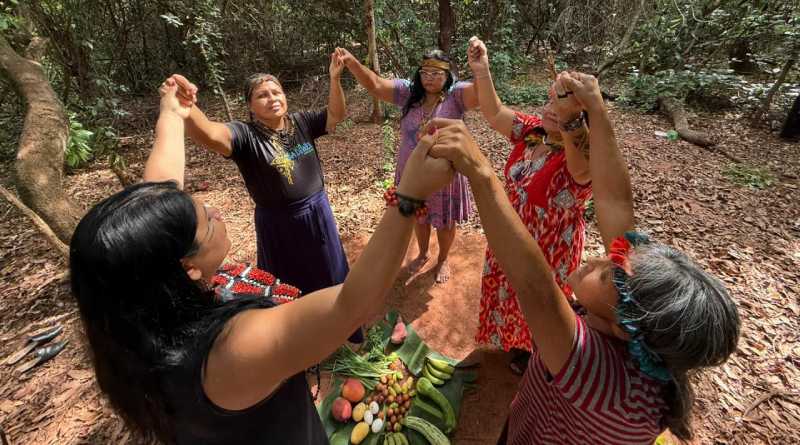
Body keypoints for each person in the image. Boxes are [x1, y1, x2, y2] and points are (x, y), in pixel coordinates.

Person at [69, 77, 454, 444]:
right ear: (187, 267)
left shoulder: (147, 321)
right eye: (205, 218)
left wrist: (172, 111)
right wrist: (409, 196)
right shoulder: (232, 350)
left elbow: (160, 194)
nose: (216, 211)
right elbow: (351, 303)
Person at [427, 71, 740, 444]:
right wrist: (593, 108)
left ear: (625, 327)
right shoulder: (643, 346)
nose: (600, 257)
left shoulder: (596, 376)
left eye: (608, 274)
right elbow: (615, 201)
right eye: (615, 258)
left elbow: (536, 287)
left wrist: (478, 170)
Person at [164, 52, 362, 340]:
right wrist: (187, 106)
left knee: (330, 270)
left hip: (318, 213)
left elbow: (337, 115)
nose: (272, 98)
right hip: (279, 224)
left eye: (276, 92)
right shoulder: (245, 136)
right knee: (288, 282)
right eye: (262, 95)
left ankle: (340, 332)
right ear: (250, 106)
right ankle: (298, 341)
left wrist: (334, 78)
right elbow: (209, 134)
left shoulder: (302, 122)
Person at [466, 37, 593, 373]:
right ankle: (513, 344)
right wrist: (483, 70)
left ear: (581, 115)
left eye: (562, 106)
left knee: (540, 304)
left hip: (548, 252)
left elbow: (583, 170)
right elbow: (494, 113)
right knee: (509, 293)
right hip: (511, 235)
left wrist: (571, 120)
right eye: (550, 100)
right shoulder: (534, 132)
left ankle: (535, 355)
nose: (551, 109)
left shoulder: (580, 155)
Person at [337, 47, 479, 283]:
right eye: (425, 72)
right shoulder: (407, 93)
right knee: (418, 216)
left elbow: (481, 93)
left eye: (436, 73)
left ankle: (443, 259)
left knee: (445, 221)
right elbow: (375, 84)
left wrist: (480, 69)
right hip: (411, 171)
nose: (429, 78)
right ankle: (423, 253)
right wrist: (352, 63)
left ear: (447, 75)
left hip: (445, 174)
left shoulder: (457, 95)